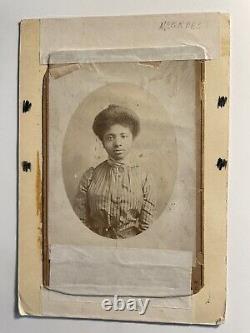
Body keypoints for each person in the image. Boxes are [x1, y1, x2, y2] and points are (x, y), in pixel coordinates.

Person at [74, 104, 156, 239]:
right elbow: (81, 221)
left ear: (132, 139)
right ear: (102, 142)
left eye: (123, 136)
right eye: (110, 137)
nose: (118, 143)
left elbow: (147, 227)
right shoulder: (90, 176)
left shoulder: (144, 178)